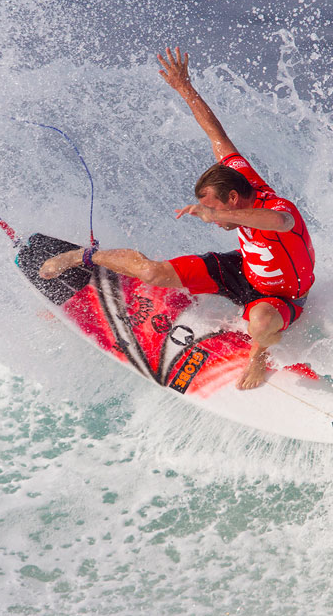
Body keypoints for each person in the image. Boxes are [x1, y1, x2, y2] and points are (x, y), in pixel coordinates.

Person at [40, 47, 315, 390]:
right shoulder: (239, 176)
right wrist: (185, 88)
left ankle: (257, 357)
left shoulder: (279, 210)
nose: (214, 221)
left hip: (283, 297)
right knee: (152, 272)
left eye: (217, 211)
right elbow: (218, 136)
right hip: (242, 269)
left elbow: (282, 225)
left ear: (233, 199)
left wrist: (214, 214)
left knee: (260, 322)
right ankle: (83, 255)